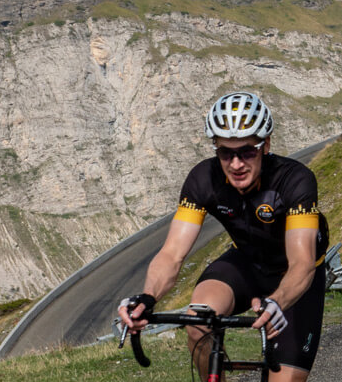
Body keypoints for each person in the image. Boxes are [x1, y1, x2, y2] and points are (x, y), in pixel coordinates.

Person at [118, 91, 330, 381]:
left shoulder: (295, 180)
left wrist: (277, 300)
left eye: (247, 151)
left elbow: (302, 263)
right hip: (245, 263)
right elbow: (172, 254)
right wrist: (148, 296)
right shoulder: (203, 179)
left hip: (294, 278)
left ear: (265, 145)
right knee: (198, 322)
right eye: (225, 153)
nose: (236, 164)